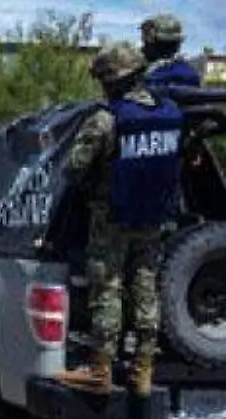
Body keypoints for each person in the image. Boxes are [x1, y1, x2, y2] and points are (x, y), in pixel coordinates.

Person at [56, 42, 185, 397]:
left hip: (112, 216)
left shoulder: (106, 119)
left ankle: (101, 370)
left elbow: (74, 169)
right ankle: (143, 369)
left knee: (108, 288)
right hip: (155, 217)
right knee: (146, 287)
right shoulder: (171, 112)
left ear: (113, 81)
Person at [140, 14, 202, 88]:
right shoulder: (189, 72)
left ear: (152, 41)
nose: (142, 48)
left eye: (145, 42)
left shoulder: (158, 78)